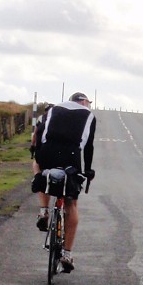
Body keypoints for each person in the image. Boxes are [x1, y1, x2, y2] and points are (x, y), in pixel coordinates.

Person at [32, 91, 97, 273]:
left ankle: (44, 212)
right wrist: (88, 170)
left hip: (48, 152)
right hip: (71, 157)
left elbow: (40, 131)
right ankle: (67, 254)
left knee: (43, 173)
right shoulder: (89, 115)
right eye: (88, 102)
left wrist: (38, 154)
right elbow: (88, 146)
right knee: (71, 203)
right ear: (83, 102)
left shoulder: (54, 109)